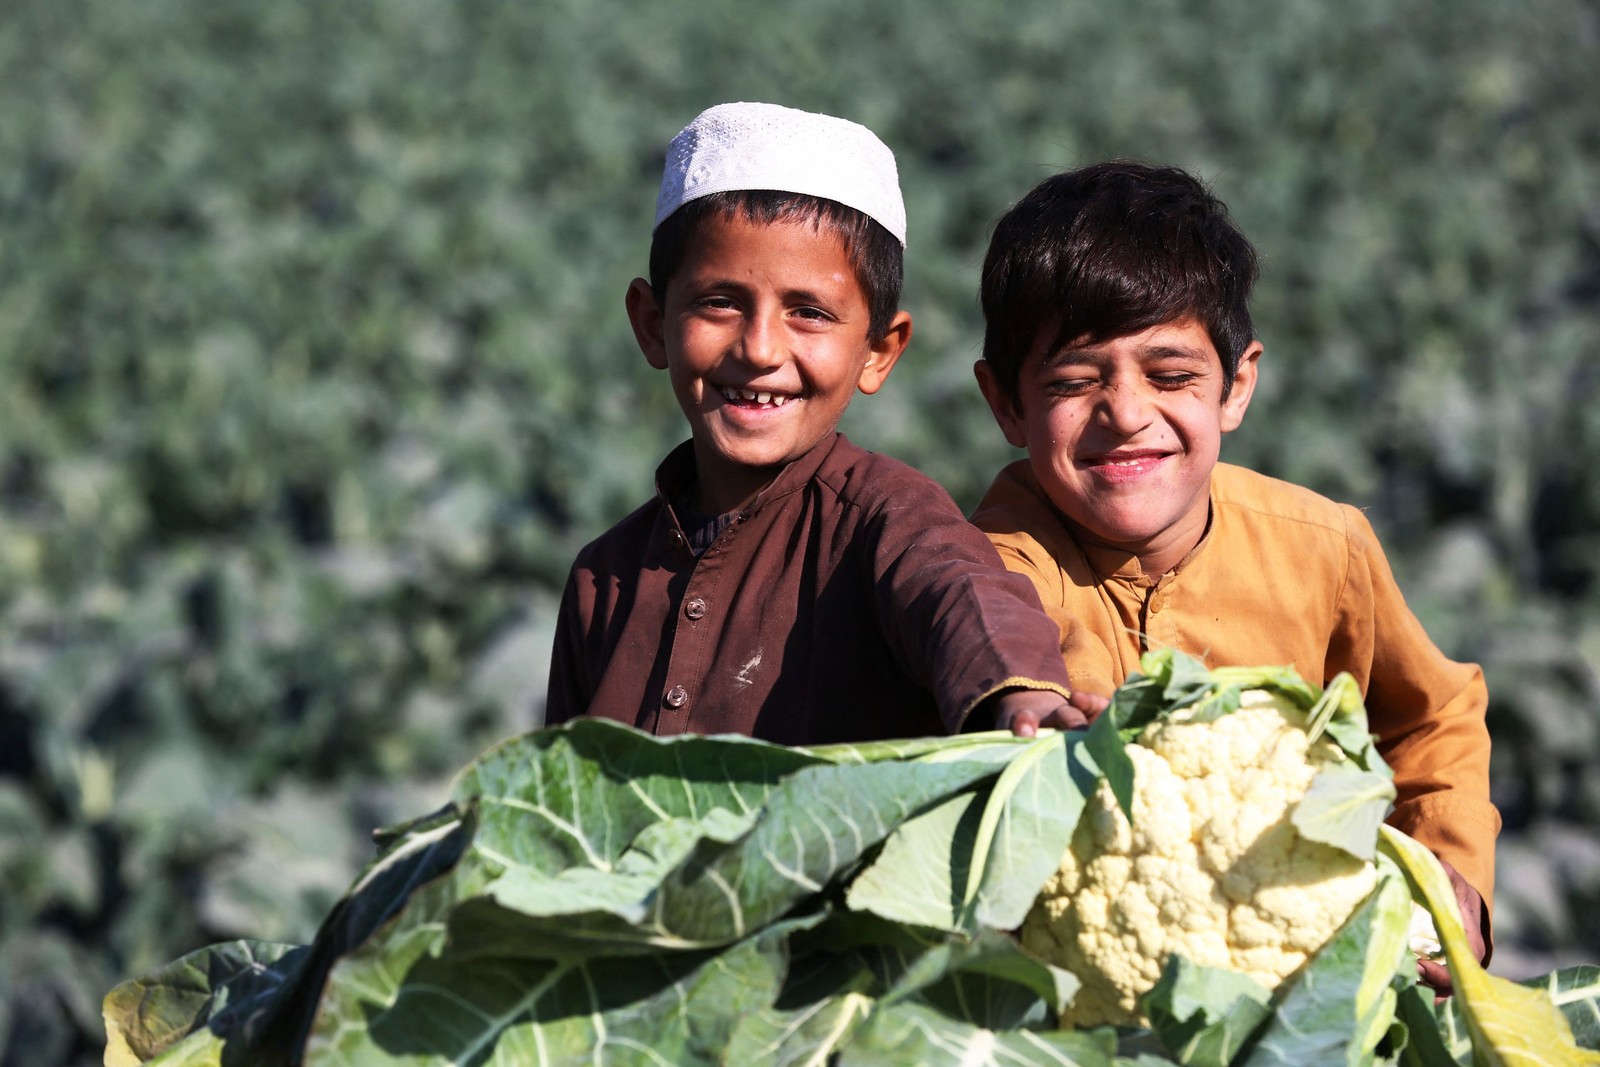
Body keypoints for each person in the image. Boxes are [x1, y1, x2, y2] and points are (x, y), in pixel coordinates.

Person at [968, 160, 1499, 993]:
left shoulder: (1325, 547)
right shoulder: (986, 570)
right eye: (1074, 382)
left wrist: (1451, 865)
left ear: (1236, 384)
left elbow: (1434, 714)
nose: (1127, 412)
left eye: (1171, 376)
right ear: (1005, 403)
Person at [545, 102, 1103, 746]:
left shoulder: (885, 518)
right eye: (720, 302)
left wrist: (1018, 691)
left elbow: (961, 592)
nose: (759, 349)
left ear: (878, 351)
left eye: (808, 312)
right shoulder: (602, 578)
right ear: (651, 323)